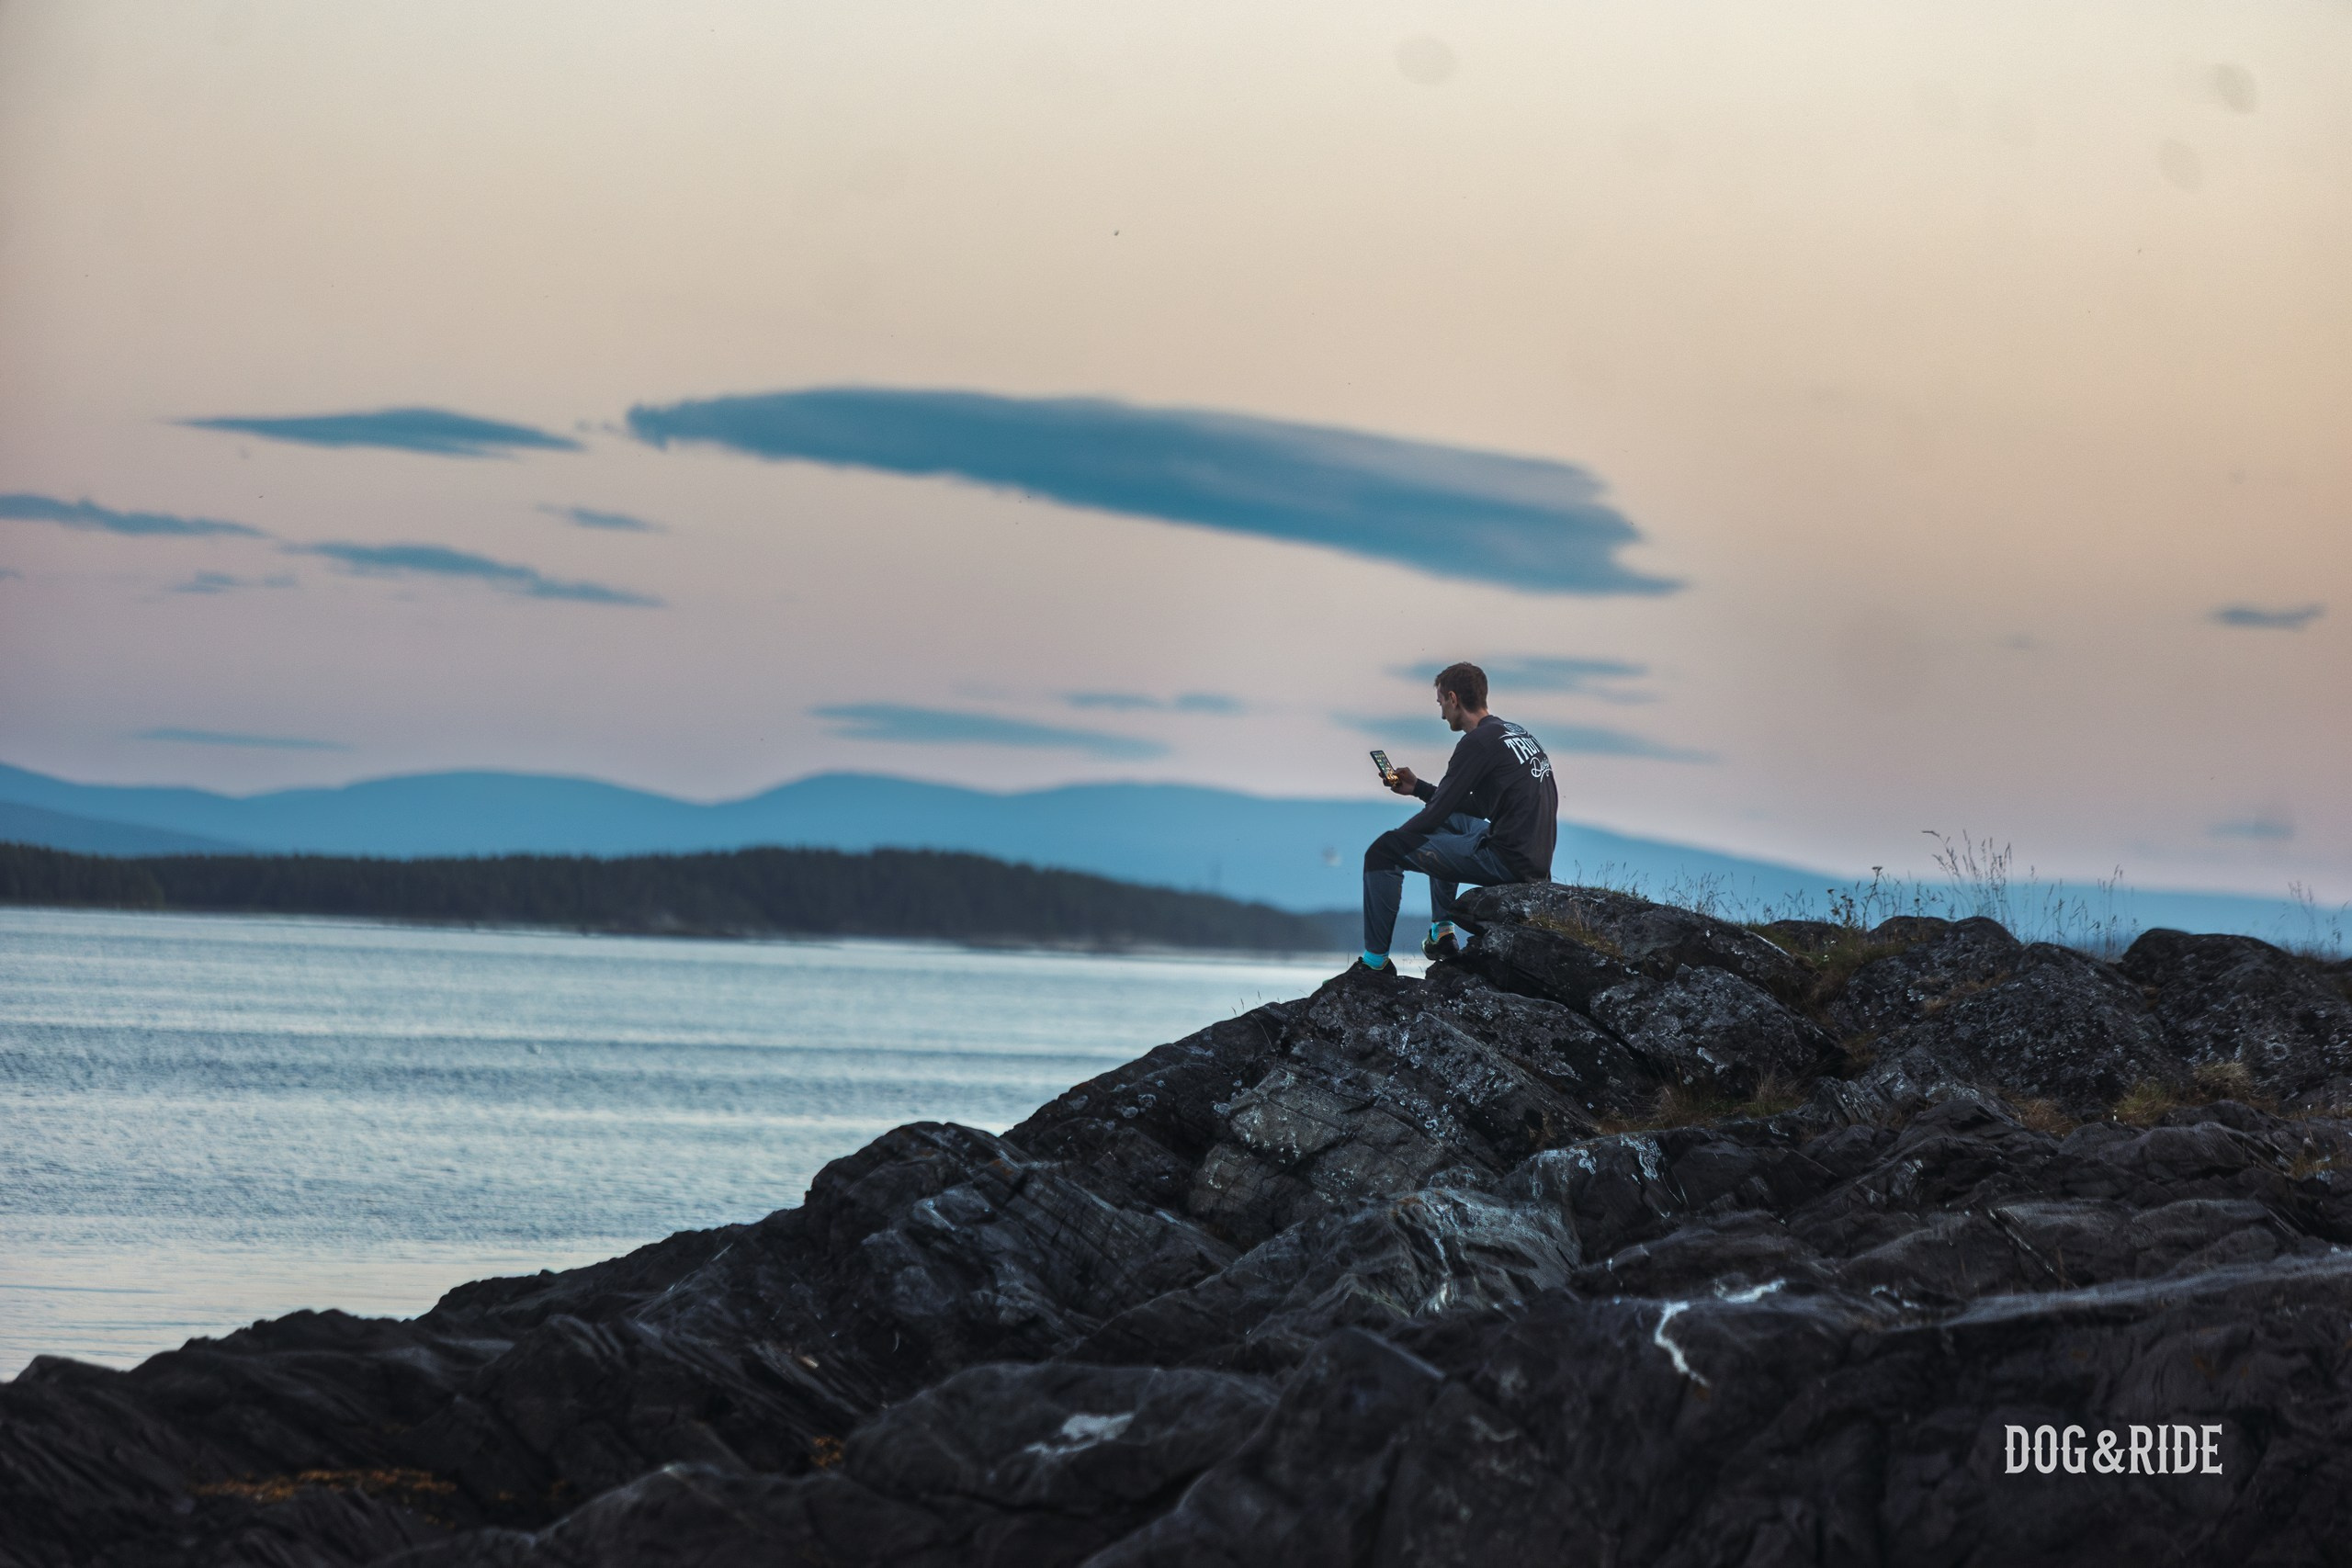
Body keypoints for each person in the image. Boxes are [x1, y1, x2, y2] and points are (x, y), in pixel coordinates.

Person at [1357, 661, 1556, 972]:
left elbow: (1437, 812)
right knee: (1446, 823)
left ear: (1453, 698)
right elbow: (1472, 807)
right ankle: (1442, 933)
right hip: (1534, 860)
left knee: (1382, 851)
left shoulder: (1475, 743)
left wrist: (1398, 844)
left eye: (1440, 704)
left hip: (1506, 860)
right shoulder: (1514, 733)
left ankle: (1374, 965)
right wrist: (1418, 788)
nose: (1441, 714)